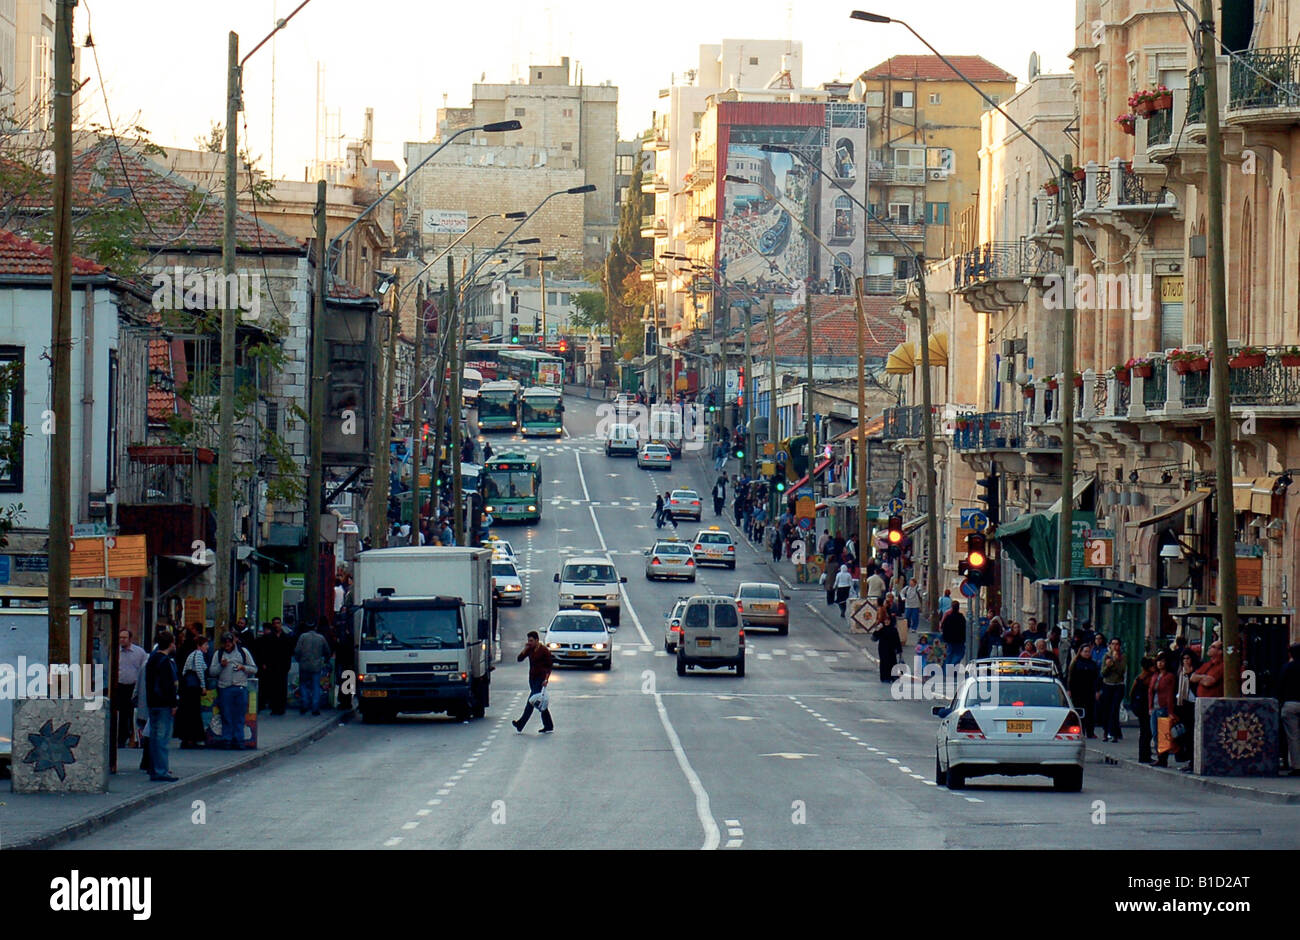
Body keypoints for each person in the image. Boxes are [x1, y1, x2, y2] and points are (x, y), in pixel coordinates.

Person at [209, 631, 258, 749]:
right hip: (224, 688)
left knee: (240, 715)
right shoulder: (218, 654)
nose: (227, 645)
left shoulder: (243, 652)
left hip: (240, 687)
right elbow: (212, 671)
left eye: (229, 642)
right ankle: (227, 739)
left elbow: (254, 669)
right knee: (226, 715)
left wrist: (243, 667)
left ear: (233, 641)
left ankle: (239, 740)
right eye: (225, 643)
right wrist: (221, 665)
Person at [144, 629, 179, 782]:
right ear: (171, 644)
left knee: (154, 736)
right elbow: (168, 686)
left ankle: (154, 768)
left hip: (153, 702)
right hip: (164, 703)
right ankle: (161, 770)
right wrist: (173, 703)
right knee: (162, 738)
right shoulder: (165, 662)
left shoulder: (151, 659)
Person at [113, 629, 149, 749]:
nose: (122, 640)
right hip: (120, 686)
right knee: (121, 713)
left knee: (133, 713)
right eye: (120, 637)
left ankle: (134, 737)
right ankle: (122, 738)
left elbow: (144, 668)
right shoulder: (115, 651)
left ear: (130, 639)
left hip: (133, 686)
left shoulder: (139, 652)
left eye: (124, 637)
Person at [512, 631, 554, 734]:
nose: (529, 642)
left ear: (537, 640)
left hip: (540, 678)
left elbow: (549, 667)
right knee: (539, 702)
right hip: (532, 678)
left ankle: (520, 724)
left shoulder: (544, 650)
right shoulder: (530, 649)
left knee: (531, 701)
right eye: (528, 640)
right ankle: (548, 725)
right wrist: (525, 649)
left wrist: (546, 679)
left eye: (531, 641)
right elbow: (519, 659)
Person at [177, 634, 209, 749]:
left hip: (187, 687)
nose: (207, 647)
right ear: (199, 645)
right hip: (194, 688)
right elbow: (200, 671)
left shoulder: (191, 654)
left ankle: (186, 738)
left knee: (187, 712)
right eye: (205, 645)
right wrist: (203, 685)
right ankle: (193, 739)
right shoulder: (199, 654)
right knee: (194, 712)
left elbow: (184, 670)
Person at [294, 622, 332, 716]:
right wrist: (326, 659)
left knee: (303, 685)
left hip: (304, 665)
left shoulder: (302, 637)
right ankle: (315, 708)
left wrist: (299, 659)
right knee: (315, 686)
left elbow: (297, 650)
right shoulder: (321, 638)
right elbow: (327, 650)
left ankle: (304, 704)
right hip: (316, 666)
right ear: (315, 627)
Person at [258, 617, 293, 715]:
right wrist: (264, 663)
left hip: (282, 666)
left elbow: (289, 652)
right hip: (271, 666)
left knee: (282, 688)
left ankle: (281, 708)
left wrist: (288, 665)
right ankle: (274, 708)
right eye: (274, 623)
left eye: (278, 623)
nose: (276, 625)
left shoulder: (286, 637)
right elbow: (264, 652)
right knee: (273, 687)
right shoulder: (269, 638)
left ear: (281, 624)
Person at [1148, 651, 1177, 766]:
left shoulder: (1169, 676)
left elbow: (1170, 694)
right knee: (1155, 733)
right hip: (1154, 708)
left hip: (1163, 707)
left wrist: (1170, 711)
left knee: (1163, 734)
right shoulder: (1155, 675)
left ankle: (1162, 758)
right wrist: (1149, 707)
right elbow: (1150, 692)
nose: (1160, 664)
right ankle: (1159, 755)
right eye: (1158, 661)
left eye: (1163, 661)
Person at [1068, 643, 1101, 738]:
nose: (1087, 653)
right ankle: (1080, 731)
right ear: (1080, 652)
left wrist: (1097, 690)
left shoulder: (1093, 664)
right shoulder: (1075, 663)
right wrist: (1069, 689)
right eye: (1085, 651)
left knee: (1090, 712)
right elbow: (1071, 677)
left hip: (1090, 691)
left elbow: (1097, 678)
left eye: (1088, 652)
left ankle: (1090, 732)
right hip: (1077, 691)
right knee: (1079, 712)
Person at [1099, 638, 1127, 742]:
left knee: (1114, 709)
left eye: (1117, 644)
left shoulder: (1122, 657)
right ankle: (1106, 731)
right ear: (1110, 645)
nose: (1115, 646)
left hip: (1118, 685)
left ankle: (1114, 733)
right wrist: (1108, 666)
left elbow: (1121, 671)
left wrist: (1114, 663)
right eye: (1113, 644)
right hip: (1107, 685)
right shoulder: (1106, 656)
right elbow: (1103, 673)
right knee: (1106, 709)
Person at [1174, 649, 1199, 764]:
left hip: (1193, 703)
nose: (1186, 661)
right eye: (1184, 659)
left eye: (1188, 658)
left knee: (1192, 732)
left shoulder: (1195, 672)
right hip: (1182, 703)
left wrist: (1189, 675)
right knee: (1183, 732)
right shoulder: (1180, 672)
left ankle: (1192, 758)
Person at [1130, 656, 1156, 764]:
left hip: (1140, 708)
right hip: (1147, 708)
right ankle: (1145, 756)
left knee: (1144, 732)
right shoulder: (1150, 679)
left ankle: (1143, 756)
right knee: (1147, 732)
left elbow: (1131, 693)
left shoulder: (1139, 678)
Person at [1279, 643, 1300, 775]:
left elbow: (1280, 686)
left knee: (1293, 736)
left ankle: (1297, 766)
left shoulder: (1287, 667)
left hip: (1291, 703)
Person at [873, 604, 903, 682]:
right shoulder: (881, 628)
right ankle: (885, 677)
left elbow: (897, 640)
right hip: (883, 648)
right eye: (885, 620)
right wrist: (877, 630)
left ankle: (892, 677)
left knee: (892, 662)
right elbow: (874, 638)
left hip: (891, 649)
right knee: (884, 663)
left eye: (888, 620)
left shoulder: (893, 629)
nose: (886, 622)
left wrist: (899, 650)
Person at [940, 600, 967, 667]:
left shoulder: (948, 617)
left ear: (952, 607)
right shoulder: (961, 617)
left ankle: (947, 670)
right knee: (959, 654)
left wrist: (944, 637)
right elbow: (964, 628)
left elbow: (943, 627)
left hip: (949, 640)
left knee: (949, 654)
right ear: (958, 608)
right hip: (959, 640)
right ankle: (952, 665)